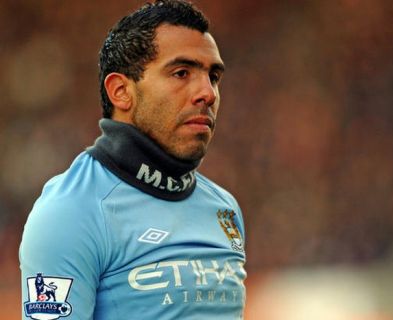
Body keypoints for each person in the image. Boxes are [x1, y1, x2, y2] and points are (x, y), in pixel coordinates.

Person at [19, 1, 246, 319]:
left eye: (214, 76)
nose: (207, 92)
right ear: (121, 91)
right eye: (181, 72)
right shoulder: (71, 211)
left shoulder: (225, 210)